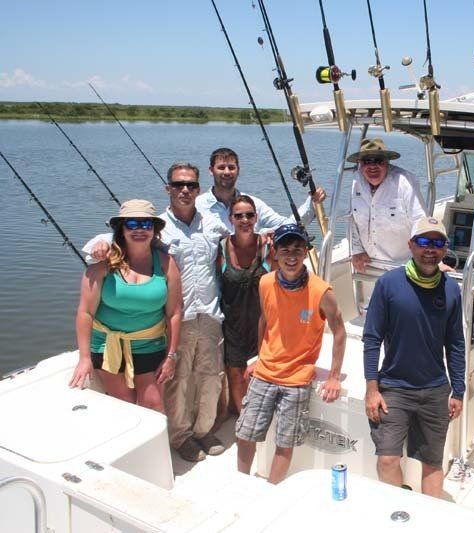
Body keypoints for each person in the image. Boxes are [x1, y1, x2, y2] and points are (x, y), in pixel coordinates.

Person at [83, 162, 229, 462]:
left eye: (190, 185)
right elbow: (115, 242)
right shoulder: (156, 225)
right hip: (178, 319)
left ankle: (204, 430)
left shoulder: (214, 222)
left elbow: (245, 228)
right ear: (168, 189)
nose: (184, 190)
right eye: (178, 185)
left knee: (211, 376)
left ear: (199, 190)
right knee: (177, 382)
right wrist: (97, 245)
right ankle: (181, 436)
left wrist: (263, 239)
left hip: (211, 314)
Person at [363, 217, 465, 499]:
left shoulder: (451, 289)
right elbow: (371, 338)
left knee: (433, 464)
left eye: (437, 243)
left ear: (444, 249)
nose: (429, 249)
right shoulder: (388, 284)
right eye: (423, 242)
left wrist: (459, 390)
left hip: (435, 389)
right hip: (394, 387)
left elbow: (455, 343)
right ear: (411, 245)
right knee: (387, 460)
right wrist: (372, 388)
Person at [235, 223, 346, 483]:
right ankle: (240, 484)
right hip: (265, 373)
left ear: (306, 252)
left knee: (285, 442)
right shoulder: (264, 283)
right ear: (274, 252)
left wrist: (333, 376)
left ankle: (273, 489)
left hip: (298, 378)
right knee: (245, 433)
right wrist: (259, 357)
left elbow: (339, 331)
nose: (291, 256)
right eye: (285, 249)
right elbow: (265, 320)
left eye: (298, 249)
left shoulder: (322, 291)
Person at [70, 200, 182, 414]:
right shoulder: (102, 265)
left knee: (154, 404)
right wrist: (84, 358)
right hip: (106, 346)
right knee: (123, 404)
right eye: (131, 223)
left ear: (154, 230)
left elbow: (174, 314)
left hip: (149, 345)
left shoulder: (167, 264)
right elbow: (85, 313)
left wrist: (171, 356)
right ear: (121, 228)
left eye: (146, 224)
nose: (139, 229)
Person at [217, 195, 271, 416]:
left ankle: (257, 420)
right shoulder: (221, 248)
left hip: (262, 323)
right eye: (239, 215)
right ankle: (243, 421)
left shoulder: (268, 246)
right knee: (237, 376)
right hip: (232, 325)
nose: (245, 220)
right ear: (231, 219)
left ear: (256, 217)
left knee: (260, 376)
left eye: (249, 215)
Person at [196, 147, 326, 233]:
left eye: (231, 167)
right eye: (221, 167)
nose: (226, 172)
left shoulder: (254, 204)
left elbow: (288, 226)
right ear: (211, 170)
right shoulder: (197, 205)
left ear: (238, 170)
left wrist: (312, 202)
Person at [348, 138, 427, 272]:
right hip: (370, 265)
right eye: (367, 161)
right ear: (360, 164)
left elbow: (421, 224)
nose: (372, 166)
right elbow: (352, 220)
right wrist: (356, 250)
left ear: (387, 162)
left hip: (404, 268)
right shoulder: (356, 183)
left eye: (378, 160)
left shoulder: (404, 182)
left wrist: (427, 261)